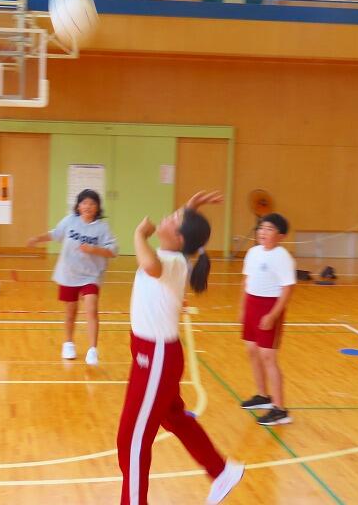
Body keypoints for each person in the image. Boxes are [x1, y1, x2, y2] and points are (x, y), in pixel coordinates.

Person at [117, 190, 243, 505]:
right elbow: (179, 237)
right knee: (172, 417)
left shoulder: (171, 262)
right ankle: (221, 471)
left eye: (175, 218)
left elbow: (149, 264)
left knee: (131, 439)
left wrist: (138, 234)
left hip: (156, 356)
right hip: (153, 353)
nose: (168, 215)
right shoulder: (177, 254)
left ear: (179, 238)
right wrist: (192, 207)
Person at [28, 189, 117, 365]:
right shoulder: (70, 221)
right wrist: (37, 239)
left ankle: (92, 349)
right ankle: (68, 343)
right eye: (84, 203)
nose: (88, 206)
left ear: (98, 207)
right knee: (70, 312)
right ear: (78, 206)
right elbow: (55, 234)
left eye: (92, 203)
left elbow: (113, 251)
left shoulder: (102, 227)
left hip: (91, 275)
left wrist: (94, 249)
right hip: (69, 273)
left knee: (91, 309)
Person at [238, 213, 296, 426]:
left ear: (281, 236)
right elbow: (245, 282)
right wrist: (242, 309)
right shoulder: (253, 252)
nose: (263, 232)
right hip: (252, 305)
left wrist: (273, 315)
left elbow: (288, 289)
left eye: (269, 229)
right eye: (261, 228)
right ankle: (263, 396)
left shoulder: (283, 257)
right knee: (252, 351)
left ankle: (280, 410)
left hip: (269, 307)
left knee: (268, 357)